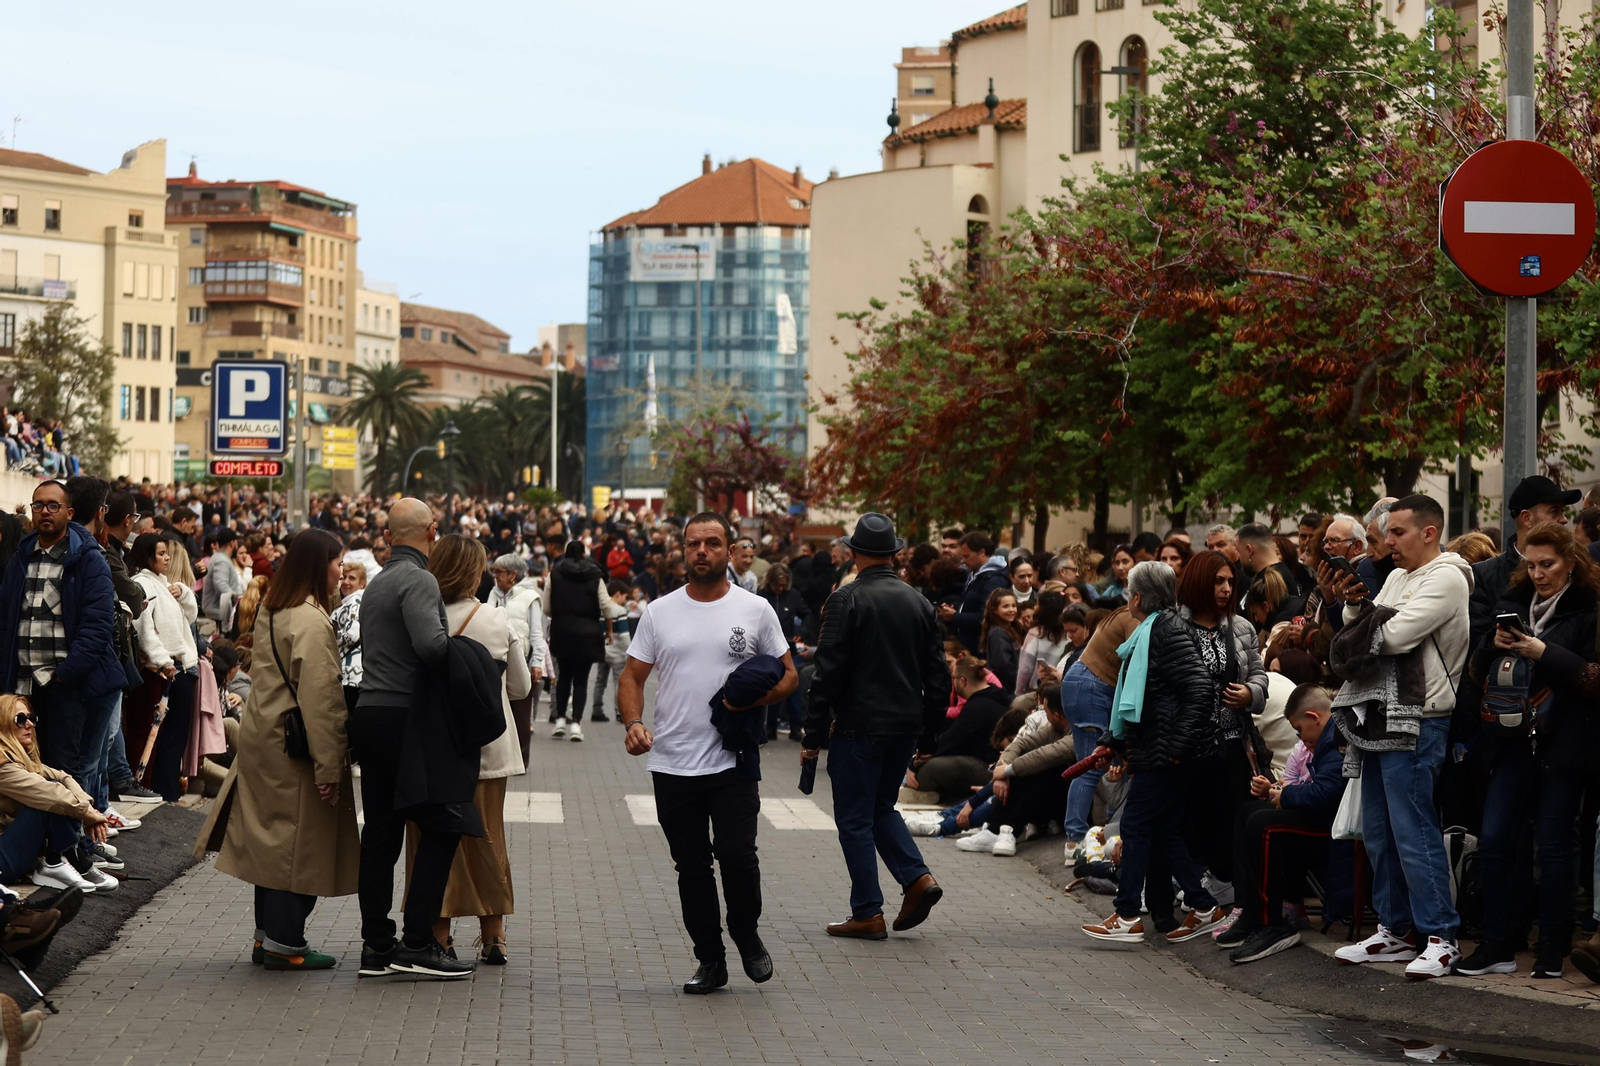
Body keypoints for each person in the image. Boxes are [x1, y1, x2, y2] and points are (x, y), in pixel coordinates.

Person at [618, 512, 796, 994]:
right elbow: (632, 676)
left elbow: (789, 676)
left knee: (739, 858)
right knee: (692, 867)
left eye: (713, 543)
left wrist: (747, 702)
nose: (702, 551)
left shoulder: (755, 609)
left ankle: (746, 933)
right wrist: (634, 723)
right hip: (673, 761)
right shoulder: (660, 612)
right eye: (694, 543)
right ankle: (710, 959)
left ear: (729, 550)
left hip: (732, 756)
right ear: (683, 550)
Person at [194, 528, 359, 971]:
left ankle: (266, 937)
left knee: (271, 844)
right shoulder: (311, 620)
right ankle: (286, 943)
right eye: (337, 562)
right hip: (296, 746)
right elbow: (322, 701)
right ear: (318, 566)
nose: (341, 571)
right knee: (298, 846)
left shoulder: (273, 607)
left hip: (264, 736)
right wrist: (329, 768)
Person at [1325, 494, 1471, 979]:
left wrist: (1366, 619)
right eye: (1387, 533)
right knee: (1379, 831)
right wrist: (1354, 605)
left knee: (1413, 830)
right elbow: (1363, 630)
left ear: (1430, 532)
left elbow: (1391, 638)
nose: (1388, 542)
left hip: (1420, 716)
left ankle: (1441, 937)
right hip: (1378, 714)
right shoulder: (1395, 576)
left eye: (1398, 532)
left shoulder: (1448, 576)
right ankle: (1395, 930)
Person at [1452, 522, 1597, 979]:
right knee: (1495, 839)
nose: (1538, 573)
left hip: (1563, 744)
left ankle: (1552, 946)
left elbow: (1592, 679)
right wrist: (1491, 647)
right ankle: (1497, 943)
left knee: (1553, 845)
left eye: (1547, 564)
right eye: (1531, 565)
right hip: (1510, 741)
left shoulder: (1589, 607)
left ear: (1570, 562)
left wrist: (1543, 651)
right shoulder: (1514, 602)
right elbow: (1476, 671)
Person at [801, 513, 950, 941]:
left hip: (859, 724)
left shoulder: (845, 599)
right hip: (904, 724)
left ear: (854, 552)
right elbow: (938, 677)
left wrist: (812, 734)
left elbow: (826, 674)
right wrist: (929, 734)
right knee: (880, 808)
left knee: (854, 819)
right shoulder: (919, 603)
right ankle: (917, 878)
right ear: (894, 553)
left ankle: (868, 910)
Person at [352, 498, 473, 980]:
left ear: (388, 537)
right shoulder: (420, 580)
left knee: (380, 835)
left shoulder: (378, 582)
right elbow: (431, 646)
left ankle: (376, 945)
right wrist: (468, 655)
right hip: (407, 717)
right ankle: (418, 942)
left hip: (371, 713)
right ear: (432, 532)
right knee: (443, 824)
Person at [1082, 561, 1226, 944]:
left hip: (1166, 755)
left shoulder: (1165, 631)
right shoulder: (1154, 630)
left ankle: (1127, 914)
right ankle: (1203, 906)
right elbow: (1147, 699)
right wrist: (1114, 740)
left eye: (1129, 592)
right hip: (1157, 750)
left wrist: (1177, 746)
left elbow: (1200, 688)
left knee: (1135, 826)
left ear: (1138, 597)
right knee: (1163, 831)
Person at [414, 535, 529, 966]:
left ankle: (438, 933)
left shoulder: (422, 616)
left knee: (430, 840)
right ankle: (494, 933)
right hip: (488, 746)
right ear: (475, 573)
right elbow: (520, 687)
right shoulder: (497, 619)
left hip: (433, 748)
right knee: (487, 837)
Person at [0, 481, 125, 819]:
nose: (44, 511)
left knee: (66, 770)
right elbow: (6, 618)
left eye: (53, 505)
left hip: (64, 685)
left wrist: (65, 676)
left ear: (69, 513)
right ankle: (41, 847)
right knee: (29, 771)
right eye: (38, 505)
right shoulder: (23, 556)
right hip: (23, 686)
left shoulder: (88, 559)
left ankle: (72, 844)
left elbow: (97, 628)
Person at [1215, 683, 1343, 964]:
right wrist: (1282, 790)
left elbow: (1327, 793)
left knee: (1263, 825)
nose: (1300, 737)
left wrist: (1285, 794)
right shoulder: (1328, 735)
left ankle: (1270, 924)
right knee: (1248, 812)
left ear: (1314, 717)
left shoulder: (1336, 738)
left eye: (1299, 729)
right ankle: (1250, 912)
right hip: (1326, 816)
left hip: (1334, 826)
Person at [0, 694, 116, 894]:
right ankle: (62, 861)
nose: (30, 724)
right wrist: (87, 814)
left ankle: (65, 859)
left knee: (56, 792)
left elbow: (63, 777)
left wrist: (88, 810)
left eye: (31, 718)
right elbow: (51, 793)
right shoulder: (3, 764)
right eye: (20, 719)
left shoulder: (19, 756)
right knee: (47, 802)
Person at [958, 682, 1074, 858]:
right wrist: (1003, 770)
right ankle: (994, 831)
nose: (1044, 716)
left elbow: (1048, 754)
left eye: (1046, 712)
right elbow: (1021, 744)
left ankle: (1010, 831)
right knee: (1017, 770)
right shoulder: (1054, 728)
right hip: (1049, 801)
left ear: (1056, 715)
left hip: (1072, 806)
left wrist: (1007, 770)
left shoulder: (1078, 732)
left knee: (1043, 771)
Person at [124, 533, 199, 801]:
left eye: (167, 553)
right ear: (148, 557)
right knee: (147, 733)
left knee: (169, 738)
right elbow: (144, 629)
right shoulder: (143, 583)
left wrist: (185, 594)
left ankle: (164, 792)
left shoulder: (164, 583)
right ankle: (143, 784)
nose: (167, 558)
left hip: (176, 667)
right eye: (161, 554)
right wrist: (162, 660)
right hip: (157, 671)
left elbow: (188, 617)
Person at [911, 655, 1008, 803]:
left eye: (953, 678)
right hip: (996, 762)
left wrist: (914, 765)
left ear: (962, 681)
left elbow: (951, 739)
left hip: (989, 767)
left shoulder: (977, 707)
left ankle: (929, 795)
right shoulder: (996, 696)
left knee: (929, 769)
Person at [546, 540, 610, 739]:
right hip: (588, 633)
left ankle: (560, 720)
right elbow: (606, 605)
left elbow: (546, 607)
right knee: (581, 680)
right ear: (583, 554)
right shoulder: (595, 575)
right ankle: (576, 724)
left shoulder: (555, 573)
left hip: (562, 630)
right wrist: (609, 630)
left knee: (564, 676)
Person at [488, 553, 543, 761]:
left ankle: (520, 759)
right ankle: (500, 758)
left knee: (520, 713)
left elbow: (537, 633)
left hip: (521, 661)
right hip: (494, 661)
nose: (495, 576)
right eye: (494, 571)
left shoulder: (530, 598)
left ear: (513, 575)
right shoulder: (493, 595)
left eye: (499, 572)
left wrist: (537, 662)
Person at [758, 563, 811, 741]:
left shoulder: (793, 595)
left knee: (792, 687)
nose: (780, 589)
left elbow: (807, 614)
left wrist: (801, 633)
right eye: (777, 585)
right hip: (768, 647)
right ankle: (770, 727)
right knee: (773, 685)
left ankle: (796, 727)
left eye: (783, 585)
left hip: (788, 645)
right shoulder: (762, 595)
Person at [939, 532, 1007, 653]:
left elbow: (985, 617)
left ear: (981, 552)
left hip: (981, 650)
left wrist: (955, 616)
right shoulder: (975, 575)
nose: (963, 561)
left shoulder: (993, 580)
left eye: (966, 556)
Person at [330, 559, 367, 713]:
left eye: (352, 578)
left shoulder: (355, 601)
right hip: (352, 676)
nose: (346, 582)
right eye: (344, 577)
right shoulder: (350, 601)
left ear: (362, 583)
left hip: (350, 676)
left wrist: (329, 639)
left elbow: (353, 634)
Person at [1016, 590, 1071, 694]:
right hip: (1061, 689)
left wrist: (1019, 692)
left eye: (1038, 604)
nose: (1035, 607)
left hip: (1037, 690)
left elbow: (1025, 669)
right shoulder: (1069, 633)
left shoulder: (1035, 633)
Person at [979, 589, 1024, 692]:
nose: (1011, 610)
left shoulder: (1010, 628)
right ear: (995, 610)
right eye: (1005, 606)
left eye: (1013, 606)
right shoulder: (998, 632)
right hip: (1007, 689)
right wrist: (1020, 683)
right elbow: (1004, 666)